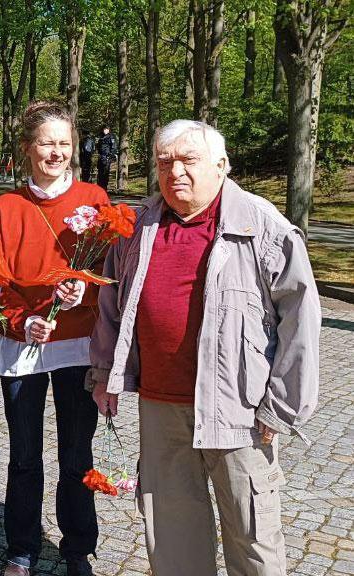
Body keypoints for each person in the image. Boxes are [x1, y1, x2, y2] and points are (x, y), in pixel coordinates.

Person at [90, 120, 320, 576]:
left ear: (221, 165)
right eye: (164, 162)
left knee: (253, 538)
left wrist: (280, 408)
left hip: (240, 411)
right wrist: (104, 374)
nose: (175, 171)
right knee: (172, 536)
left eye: (188, 160)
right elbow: (111, 306)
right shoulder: (139, 228)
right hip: (161, 407)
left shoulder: (264, 227)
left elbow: (302, 325)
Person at [0, 101, 108, 576]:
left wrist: (86, 288)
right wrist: (21, 322)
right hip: (24, 347)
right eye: (46, 143)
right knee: (24, 455)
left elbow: (111, 271)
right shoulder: (7, 206)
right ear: (27, 148)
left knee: (77, 452)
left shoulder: (94, 198)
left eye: (64, 143)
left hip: (78, 345)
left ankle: (77, 546)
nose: (56, 152)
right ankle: (21, 547)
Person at [95, 127, 116, 192]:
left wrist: (110, 156)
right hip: (101, 156)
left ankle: (104, 187)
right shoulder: (101, 136)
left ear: (109, 130)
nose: (105, 131)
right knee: (100, 172)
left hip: (107, 157)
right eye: (104, 129)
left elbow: (113, 147)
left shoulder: (111, 137)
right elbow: (98, 146)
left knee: (105, 173)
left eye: (106, 129)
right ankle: (99, 187)